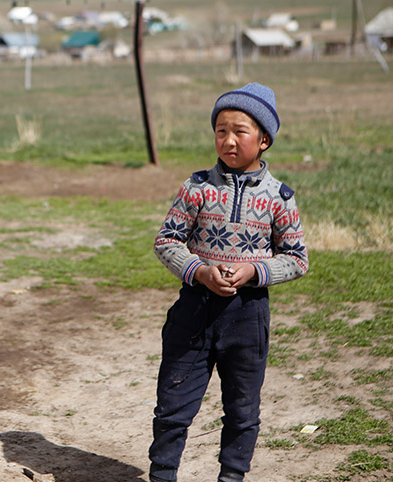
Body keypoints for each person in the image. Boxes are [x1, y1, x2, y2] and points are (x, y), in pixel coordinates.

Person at [149, 83, 309, 482]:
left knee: (242, 410)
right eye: (221, 130)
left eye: (240, 131)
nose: (229, 140)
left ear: (264, 140)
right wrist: (201, 271)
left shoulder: (279, 198)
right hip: (194, 312)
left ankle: (231, 477)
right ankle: (162, 475)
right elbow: (167, 240)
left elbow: (297, 258)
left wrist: (255, 271)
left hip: (247, 317)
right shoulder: (197, 187)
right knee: (173, 404)